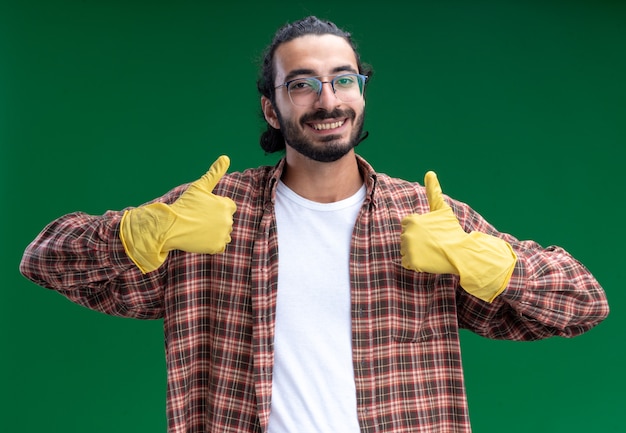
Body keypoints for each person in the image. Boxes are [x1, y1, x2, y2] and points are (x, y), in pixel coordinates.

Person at [20, 16, 609, 433]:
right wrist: (137, 234)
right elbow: (43, 258)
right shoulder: (208, 213)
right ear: (271, 106)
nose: (328, 99)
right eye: (301, 83)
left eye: (344, 79)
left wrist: (493, 265)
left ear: (361, 91)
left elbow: (585, 302)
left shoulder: (426, 219)